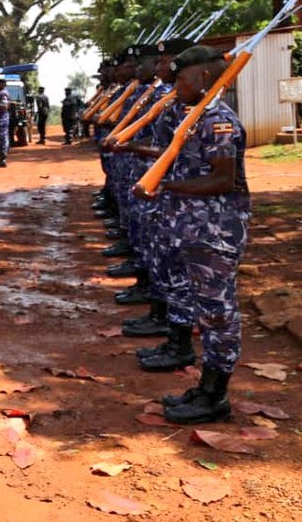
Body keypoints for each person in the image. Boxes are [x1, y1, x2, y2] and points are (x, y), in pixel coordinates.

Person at [134, 45, 250, 424]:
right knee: (206, 309)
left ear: (202, 77)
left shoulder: (218, 119)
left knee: (218, 314)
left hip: (214, 232)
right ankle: (206, 387)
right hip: (195, 230)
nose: (177, 85)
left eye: (182, 79)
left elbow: (222, 178)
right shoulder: (195, 116)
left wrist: (168, 186)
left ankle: (216, 396)